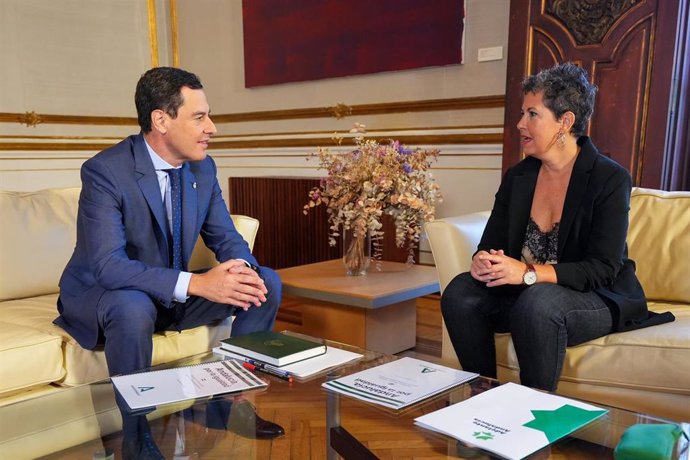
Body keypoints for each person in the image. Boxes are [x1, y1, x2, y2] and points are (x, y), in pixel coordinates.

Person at [55, 67, 284, 459]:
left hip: (164, 293)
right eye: (199, 117)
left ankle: (224, 404)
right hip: (105, 294)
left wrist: (241, 270)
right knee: (132, 305)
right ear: (161, 119)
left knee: (265, 283)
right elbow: (109, 267)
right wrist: (198, 284)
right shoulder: (105, 172)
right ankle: (136, 432)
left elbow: (225, 237)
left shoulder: (202, 167)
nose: (211, 127)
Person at [441, 62, 674, 392]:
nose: (520, 124)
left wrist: (527, 273)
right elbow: (491, 242)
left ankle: (533, 415)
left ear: (565, 121)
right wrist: (484, 261)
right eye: (522, 113)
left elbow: (602, 269)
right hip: (527, 293)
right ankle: (483, 397)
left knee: (538, 303)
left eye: (532, 115)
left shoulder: (609, 178)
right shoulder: (518, 177)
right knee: (460, 292)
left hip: (594, 295)